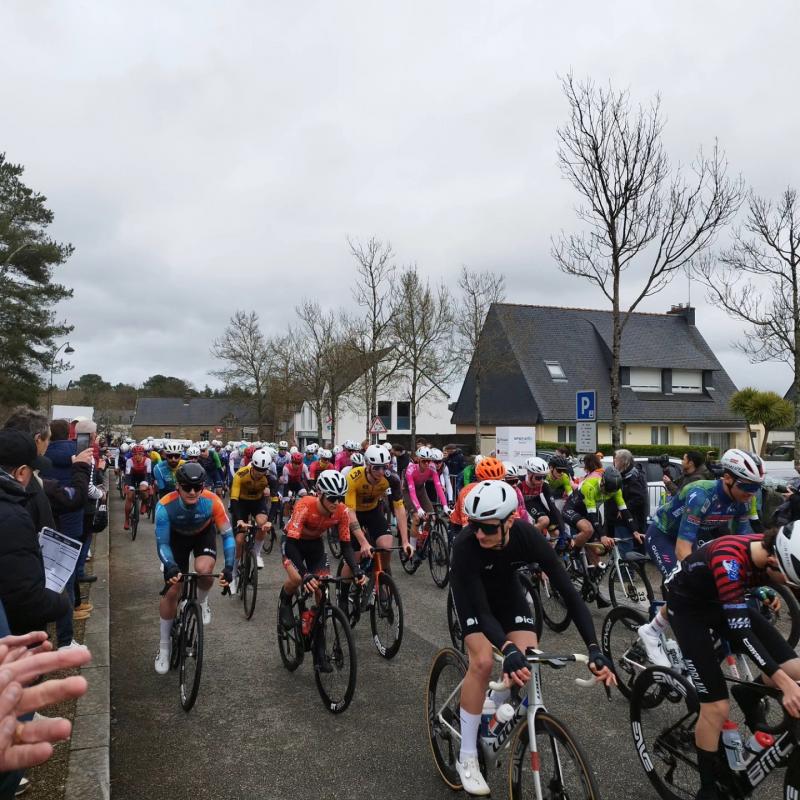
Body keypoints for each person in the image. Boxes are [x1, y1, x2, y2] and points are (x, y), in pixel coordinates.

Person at [449, 480, 615, 795]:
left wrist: (594, 649)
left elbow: (569, 593)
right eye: (474, 525)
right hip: (472, 596)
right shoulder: (466, 544)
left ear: (510, 520)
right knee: (483, 661)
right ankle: (467, 756)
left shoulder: (528, 537)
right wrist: (506, 646)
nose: (479, 534)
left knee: (526, 658)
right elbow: (482, 612)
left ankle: (494, 705)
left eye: (488, 527)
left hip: (507, 590)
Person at [666, 526, 800, 800]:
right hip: (688, 609)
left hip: (723, 600)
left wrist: (763, 590)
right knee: (716, 706)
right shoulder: (729, 559)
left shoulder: (774, 549)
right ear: (773, 561)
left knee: (795, 668)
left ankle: (748, 693)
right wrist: (784, 684)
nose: (791, 589)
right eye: (790, 582)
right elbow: (741, 633)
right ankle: (707, 788)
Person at [639, 448, 764, 667]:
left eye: (757, 487)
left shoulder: (742, 501)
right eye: (747, 486)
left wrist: (759, 583)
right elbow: (682, 549)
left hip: (693, 535)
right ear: (727, 478)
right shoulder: (701, 494)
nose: (752, 493)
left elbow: (745, 544)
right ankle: (652, 631)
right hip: (663, 536)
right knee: (686, 584)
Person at [277, 471, 366, 668]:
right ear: (320, 494)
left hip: (315, 546)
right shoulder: (305, 505)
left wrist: (356, 569)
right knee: (297, 579)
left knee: (322, 591)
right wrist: (305, 574)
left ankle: (319, 644)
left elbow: (345, 545)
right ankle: (285, 600)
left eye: (340, 497)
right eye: (332, 498)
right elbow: (291, 544)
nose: (337, 502)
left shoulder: (342, 511)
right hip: (293, 543)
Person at [154, 462, 233, 674]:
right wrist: (170, 565)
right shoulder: (165, 505)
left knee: (204, 571)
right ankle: (164, 647)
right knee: (173, 590)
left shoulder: (213, 501)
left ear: (203, 487)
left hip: (202, 536)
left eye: (197, 487)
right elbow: (162, 544)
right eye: (187, 487)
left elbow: (227, 535)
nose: (192, 492)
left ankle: (202, 601)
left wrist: (229, 567)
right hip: (175, 540)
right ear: (177, 486)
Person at [0, 431, 73, 636]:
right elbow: (25, 597)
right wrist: (62, 603)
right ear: (21, 472)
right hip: (15, 636)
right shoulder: (14, 516)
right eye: (33, 471)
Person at [339, 445, 412, 588]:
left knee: (386, 546)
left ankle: (380, 577)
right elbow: (350, 512)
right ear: (367, 465)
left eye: (385, 467)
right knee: (355, 558)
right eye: (376, 468)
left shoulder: (392, 478)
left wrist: (405, 541)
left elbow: (399, 508)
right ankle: (343, 593)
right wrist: (363, 542)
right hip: (354, 513)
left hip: (373, 511)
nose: (381, 472)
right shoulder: (353, 477)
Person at [228, 448, 273, 578]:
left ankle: (257, 554)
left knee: (263, 525)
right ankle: (234, 570)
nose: (260, 473)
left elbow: (276, 500)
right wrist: (239, 519)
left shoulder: (269, 477)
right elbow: (234, 499)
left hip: (257, 502)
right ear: (252, 465)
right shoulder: (241, 474)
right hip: (241, 503)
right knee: (239, 540)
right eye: (257, 469)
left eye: (263, 470)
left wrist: (270, 522)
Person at [607, 449, 648, 556]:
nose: (614, 462)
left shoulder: (631, 477)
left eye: (616, 459)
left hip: (625, 520)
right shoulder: (624, 474)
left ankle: (625, 566)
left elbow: (639, 498)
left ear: (623, 461)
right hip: (620, 519)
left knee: (624, 550)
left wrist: (624, 509)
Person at [519, 456, 566, 539]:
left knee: (556, 532)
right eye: (538, 477)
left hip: (534, 503)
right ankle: (525, 539)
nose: (541, 480)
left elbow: (553, 507)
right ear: (529, 474)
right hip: (521, 506)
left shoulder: (544, 485)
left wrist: (563, 533)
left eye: (544, 477)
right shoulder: (519, 483)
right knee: (544, 520)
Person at [123, 444, 152, 531]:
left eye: (139, 454)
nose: (137, 456)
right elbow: (128, 475)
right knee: (129, 496)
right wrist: (126, 485)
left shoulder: (147, 460)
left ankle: (144, 503)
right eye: (135, 454)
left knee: (143, 489)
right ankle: (127, 520)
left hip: (143, 477)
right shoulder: (129, 461)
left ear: (143, 454)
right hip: (132, 477)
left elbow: (148, 474)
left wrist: (149, 485)